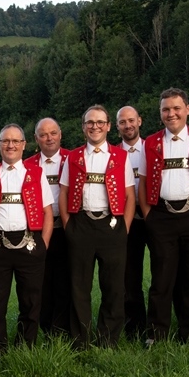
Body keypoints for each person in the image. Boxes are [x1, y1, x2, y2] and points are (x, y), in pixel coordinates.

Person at [139, 89, 189, 344]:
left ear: (188, 109)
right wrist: (149, 215)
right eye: (165, 110)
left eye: (176, 108)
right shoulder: (150, 142)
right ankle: (156, 333)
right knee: (162, 277)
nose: (171, 114)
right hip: (161, 216)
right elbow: (144, 182)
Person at [59, 105, 136, 348]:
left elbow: (130, 196)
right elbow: (64, 193)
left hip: (111, 224)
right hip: (80, 224)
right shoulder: (72, 157)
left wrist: (124, 226)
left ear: (108, 126)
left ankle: (108, 339)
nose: (95, 126)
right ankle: (80, 339)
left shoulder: (121, 156)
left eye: (100, 122)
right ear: (83, 127)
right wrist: (68, 224)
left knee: (113, 287)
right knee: (79, 286)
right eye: (90, 122)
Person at [0, 124, 54, 356]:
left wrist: (43, 244)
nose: (10, 145)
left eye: (15, 141)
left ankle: (25, 347)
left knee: (31, 301)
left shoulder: (36, 173)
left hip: (30, 244)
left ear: (24, 145)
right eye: (5, 141)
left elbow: (48, 212)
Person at [24, 118, 71, 337]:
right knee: (40, 281)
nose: (49, 138)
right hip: (37, 230)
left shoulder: (73, 159)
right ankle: (43, 327)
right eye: (43, 134)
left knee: (64, 280)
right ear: (36, 139)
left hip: (66, 228)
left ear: (60, 135)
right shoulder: (27, 166)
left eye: (53, 133)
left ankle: (61, 329)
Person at [116, 105, 148, 341]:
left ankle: (159, 322)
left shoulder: (153, 147)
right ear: (116, 127)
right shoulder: (113, 154)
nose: (128, 125)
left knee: (163, 272)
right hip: (127, 220)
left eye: (131, 120)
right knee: (129, 276)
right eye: (122, 122)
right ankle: (134, 326)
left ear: (139, 121)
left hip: (153, 216)